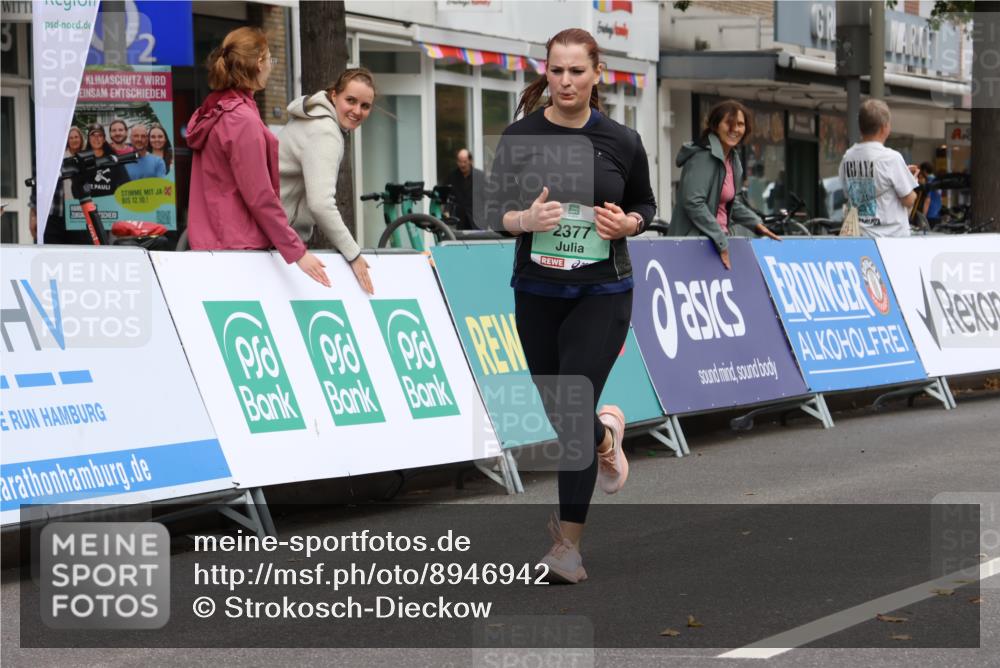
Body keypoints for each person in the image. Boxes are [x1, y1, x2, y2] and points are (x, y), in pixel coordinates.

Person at [487, 28, 655, 584]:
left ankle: (568, 549)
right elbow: (493, 210)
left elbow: (645, 203)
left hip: (602, 291)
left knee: (573, 402)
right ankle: (606, 435)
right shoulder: (521, 135)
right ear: (546, 72)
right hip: (537, 291)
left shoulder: (622, 139)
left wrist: (629, 223)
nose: (565, 81)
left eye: (577, 71)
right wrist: (523, 220)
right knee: (564, 413)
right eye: (556, 70)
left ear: (596, 73)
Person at [186, 26, 330, 287]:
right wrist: (297, 251)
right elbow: (260, 196)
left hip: (212, 244)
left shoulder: (214, 111)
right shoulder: (241, 120)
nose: (272, 67)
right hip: (241, 249)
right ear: (259, 63)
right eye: (271, 59)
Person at [279, 68, 375, 294]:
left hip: (273, 235)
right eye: (350, 100)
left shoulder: (315, 119)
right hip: (276, 239)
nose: (357, 111)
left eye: (365, 106)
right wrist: (354, 254)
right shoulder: (326, 132)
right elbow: (321, 204)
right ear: (334, 95)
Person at [668, 99, 780, 270]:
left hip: (715, 243)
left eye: (740, 124)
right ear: (715, 125)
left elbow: (731, 203)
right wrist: (721, 240)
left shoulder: (733, 160)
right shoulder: (703, 157)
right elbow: (693, 202)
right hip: (695, 246)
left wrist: (756, 224)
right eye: (729, 123)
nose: (735, 129)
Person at [838, 99, 919, 238]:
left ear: (861, 127)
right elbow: (909, 200)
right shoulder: (891, 158)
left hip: (861, 236)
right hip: (891, 239)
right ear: (884, 127)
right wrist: (912, 181)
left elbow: (848, 193)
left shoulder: (847, 157)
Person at [81, 123, 131, 198]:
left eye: (100, 135)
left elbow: (126, 184)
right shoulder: (82, 160)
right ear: (89, 139)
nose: (96, 138)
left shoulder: (113, 159)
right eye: (93, 135)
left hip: (108, 203)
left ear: (104, 139)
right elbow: (76, 187)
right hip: (88, 203)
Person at [444, 148, 486, 230]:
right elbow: (449, 196)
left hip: (478, 221)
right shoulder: (452, 176)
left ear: (470, 161)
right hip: (459, 221)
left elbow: (487, 198)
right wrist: (447, 210)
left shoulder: (480, 176)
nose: (462, 165)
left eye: (465, 162)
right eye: (460, 162)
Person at [918, 161, 942, 226]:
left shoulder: (929, 182)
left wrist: (923, 217)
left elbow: (928, 199)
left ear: (924, 170)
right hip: (937, 213)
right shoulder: (937, 180)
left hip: (930, 214)